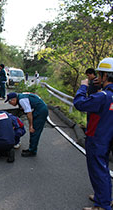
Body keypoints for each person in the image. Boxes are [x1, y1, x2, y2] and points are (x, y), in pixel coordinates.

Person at [73, 57, 113, 210]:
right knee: (103, 169)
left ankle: (102, 205)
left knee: (98, 171)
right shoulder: (106, 95)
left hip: (97, 138)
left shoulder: (103, 96)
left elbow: (80, 103)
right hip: (108, 137)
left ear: (105, 76)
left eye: (100, 74)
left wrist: (83, 87)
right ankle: (103, 197)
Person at [5, 92, 48, 157]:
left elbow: (29, 113)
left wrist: (31, 126)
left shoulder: (22, 100)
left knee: (34, 131)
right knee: (33, 130)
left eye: (10, 102)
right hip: (39, 108)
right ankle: (31, 148)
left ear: (13, 99)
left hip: (41, 111)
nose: (10, 104)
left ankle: (32, 151)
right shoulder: (21, 97)